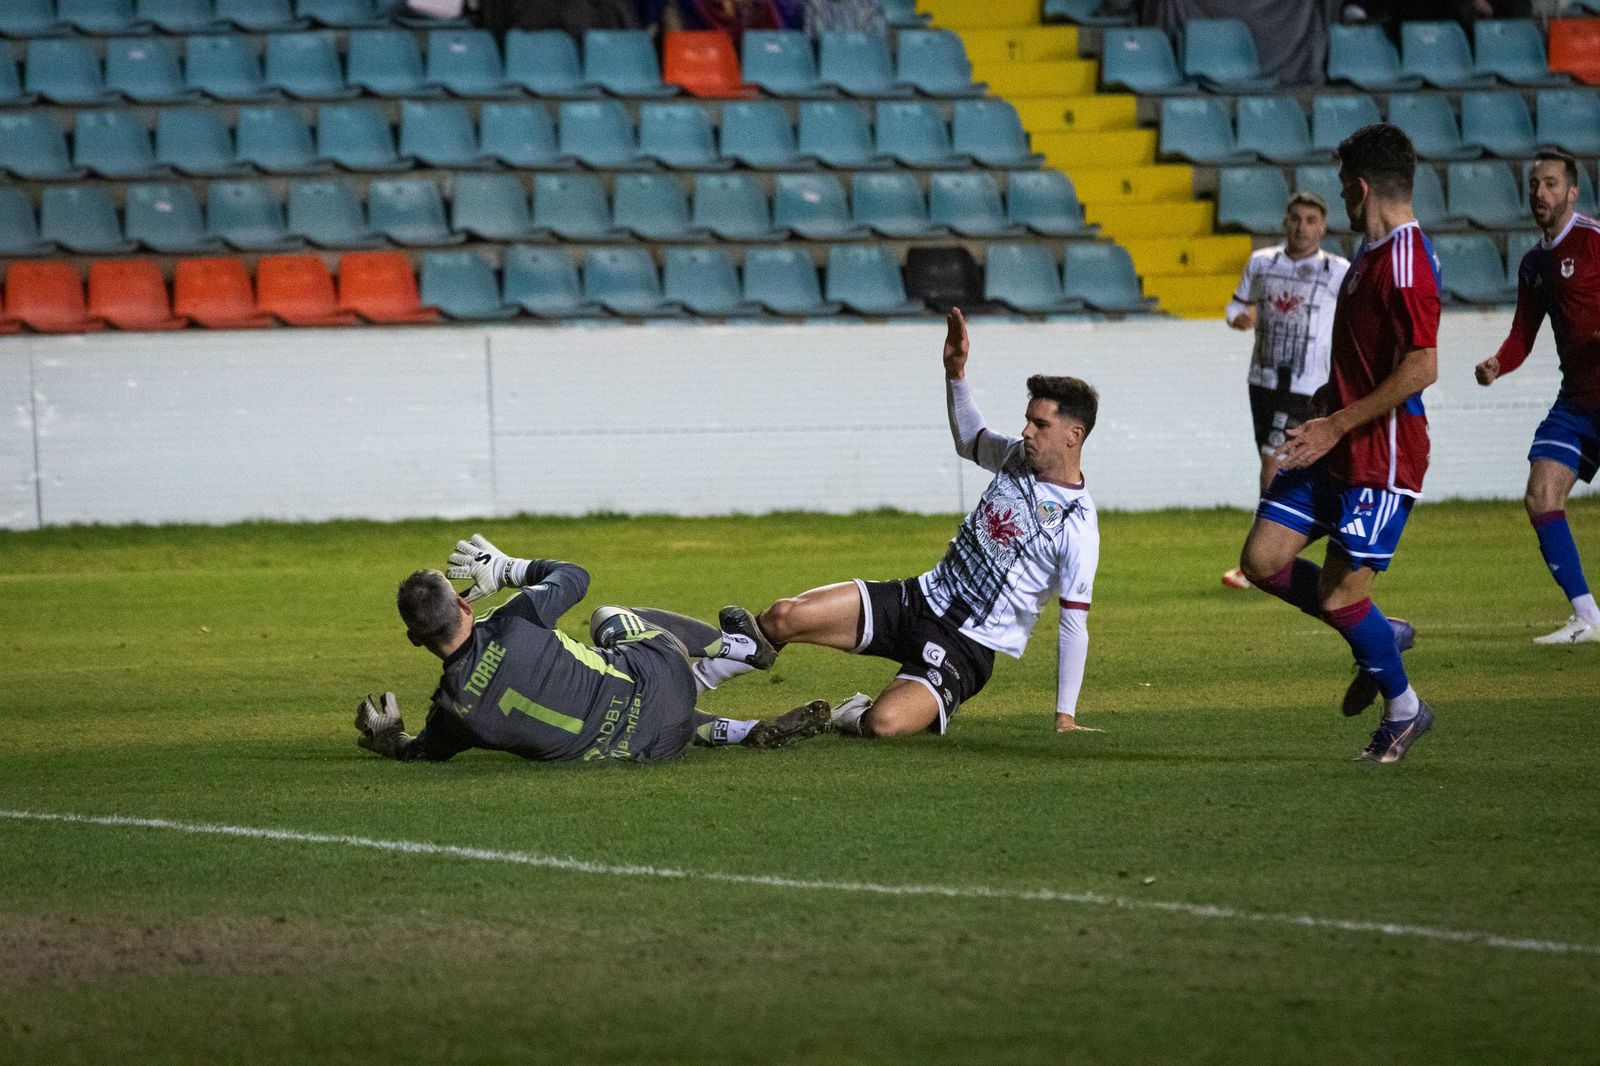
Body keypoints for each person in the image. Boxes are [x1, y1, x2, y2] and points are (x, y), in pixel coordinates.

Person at [703, 308, 1102, 739]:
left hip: (966, 646)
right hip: (919, 598)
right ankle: (685, 685)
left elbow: (1073, 622)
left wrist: (1065, 717)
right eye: (1027, 419)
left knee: (884, 725)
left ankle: (850, 713)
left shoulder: (1078, 525)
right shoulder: (1014, 456)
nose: (1026, 431)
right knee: (783, 616)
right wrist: (955, 372)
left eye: (1039, 424)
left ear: (1073, 435)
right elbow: (970, 439)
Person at [1236, 122, 1439, 764]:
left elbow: (1422, 366)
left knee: (1339, 594)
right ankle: (1385, 632)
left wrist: (1337, 423)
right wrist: (1322, 410)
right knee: (1263, 559)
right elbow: (1358, 362)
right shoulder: (1366, 262)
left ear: (1358, 188)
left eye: (1344, 193)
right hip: (1337, 443)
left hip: (1381, 459)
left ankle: (1405, 710)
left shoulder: (1405, 259)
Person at [353, 536, 832, 763]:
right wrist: (509, 570)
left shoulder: (452, 711)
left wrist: (388, 736)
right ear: (463, 603)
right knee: (608, 617)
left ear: (416, 639)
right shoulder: (514, 619)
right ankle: (741, 645)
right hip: (656, 687)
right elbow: (574, 576)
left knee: (631, 717)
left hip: (635, 747)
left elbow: (420, 752)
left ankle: (747, 731)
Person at [1473, 149, 1600, 646]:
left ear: (1572, 192)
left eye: (1550, 184)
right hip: (1576, 403)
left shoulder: (1593, 242)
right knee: (1540, 495)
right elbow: (1523, 335)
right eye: (1533, 185)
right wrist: (1497, 364)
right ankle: (1588, 617)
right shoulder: (1533, 264)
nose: (1539, 194)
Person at [1223, 192, 1351, 589]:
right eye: (1295, 218)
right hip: (1262, 379)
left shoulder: (1338, 271)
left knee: (1272, 462)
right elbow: (1233, 306)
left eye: (1311, 220)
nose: (1302, 227)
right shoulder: (1262, 263)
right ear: (1285, 221)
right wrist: (1239, 318)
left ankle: (1262, 557)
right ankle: (1303, 534)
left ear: (1323, 227)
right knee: (1288, 462)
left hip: (1307, 385)